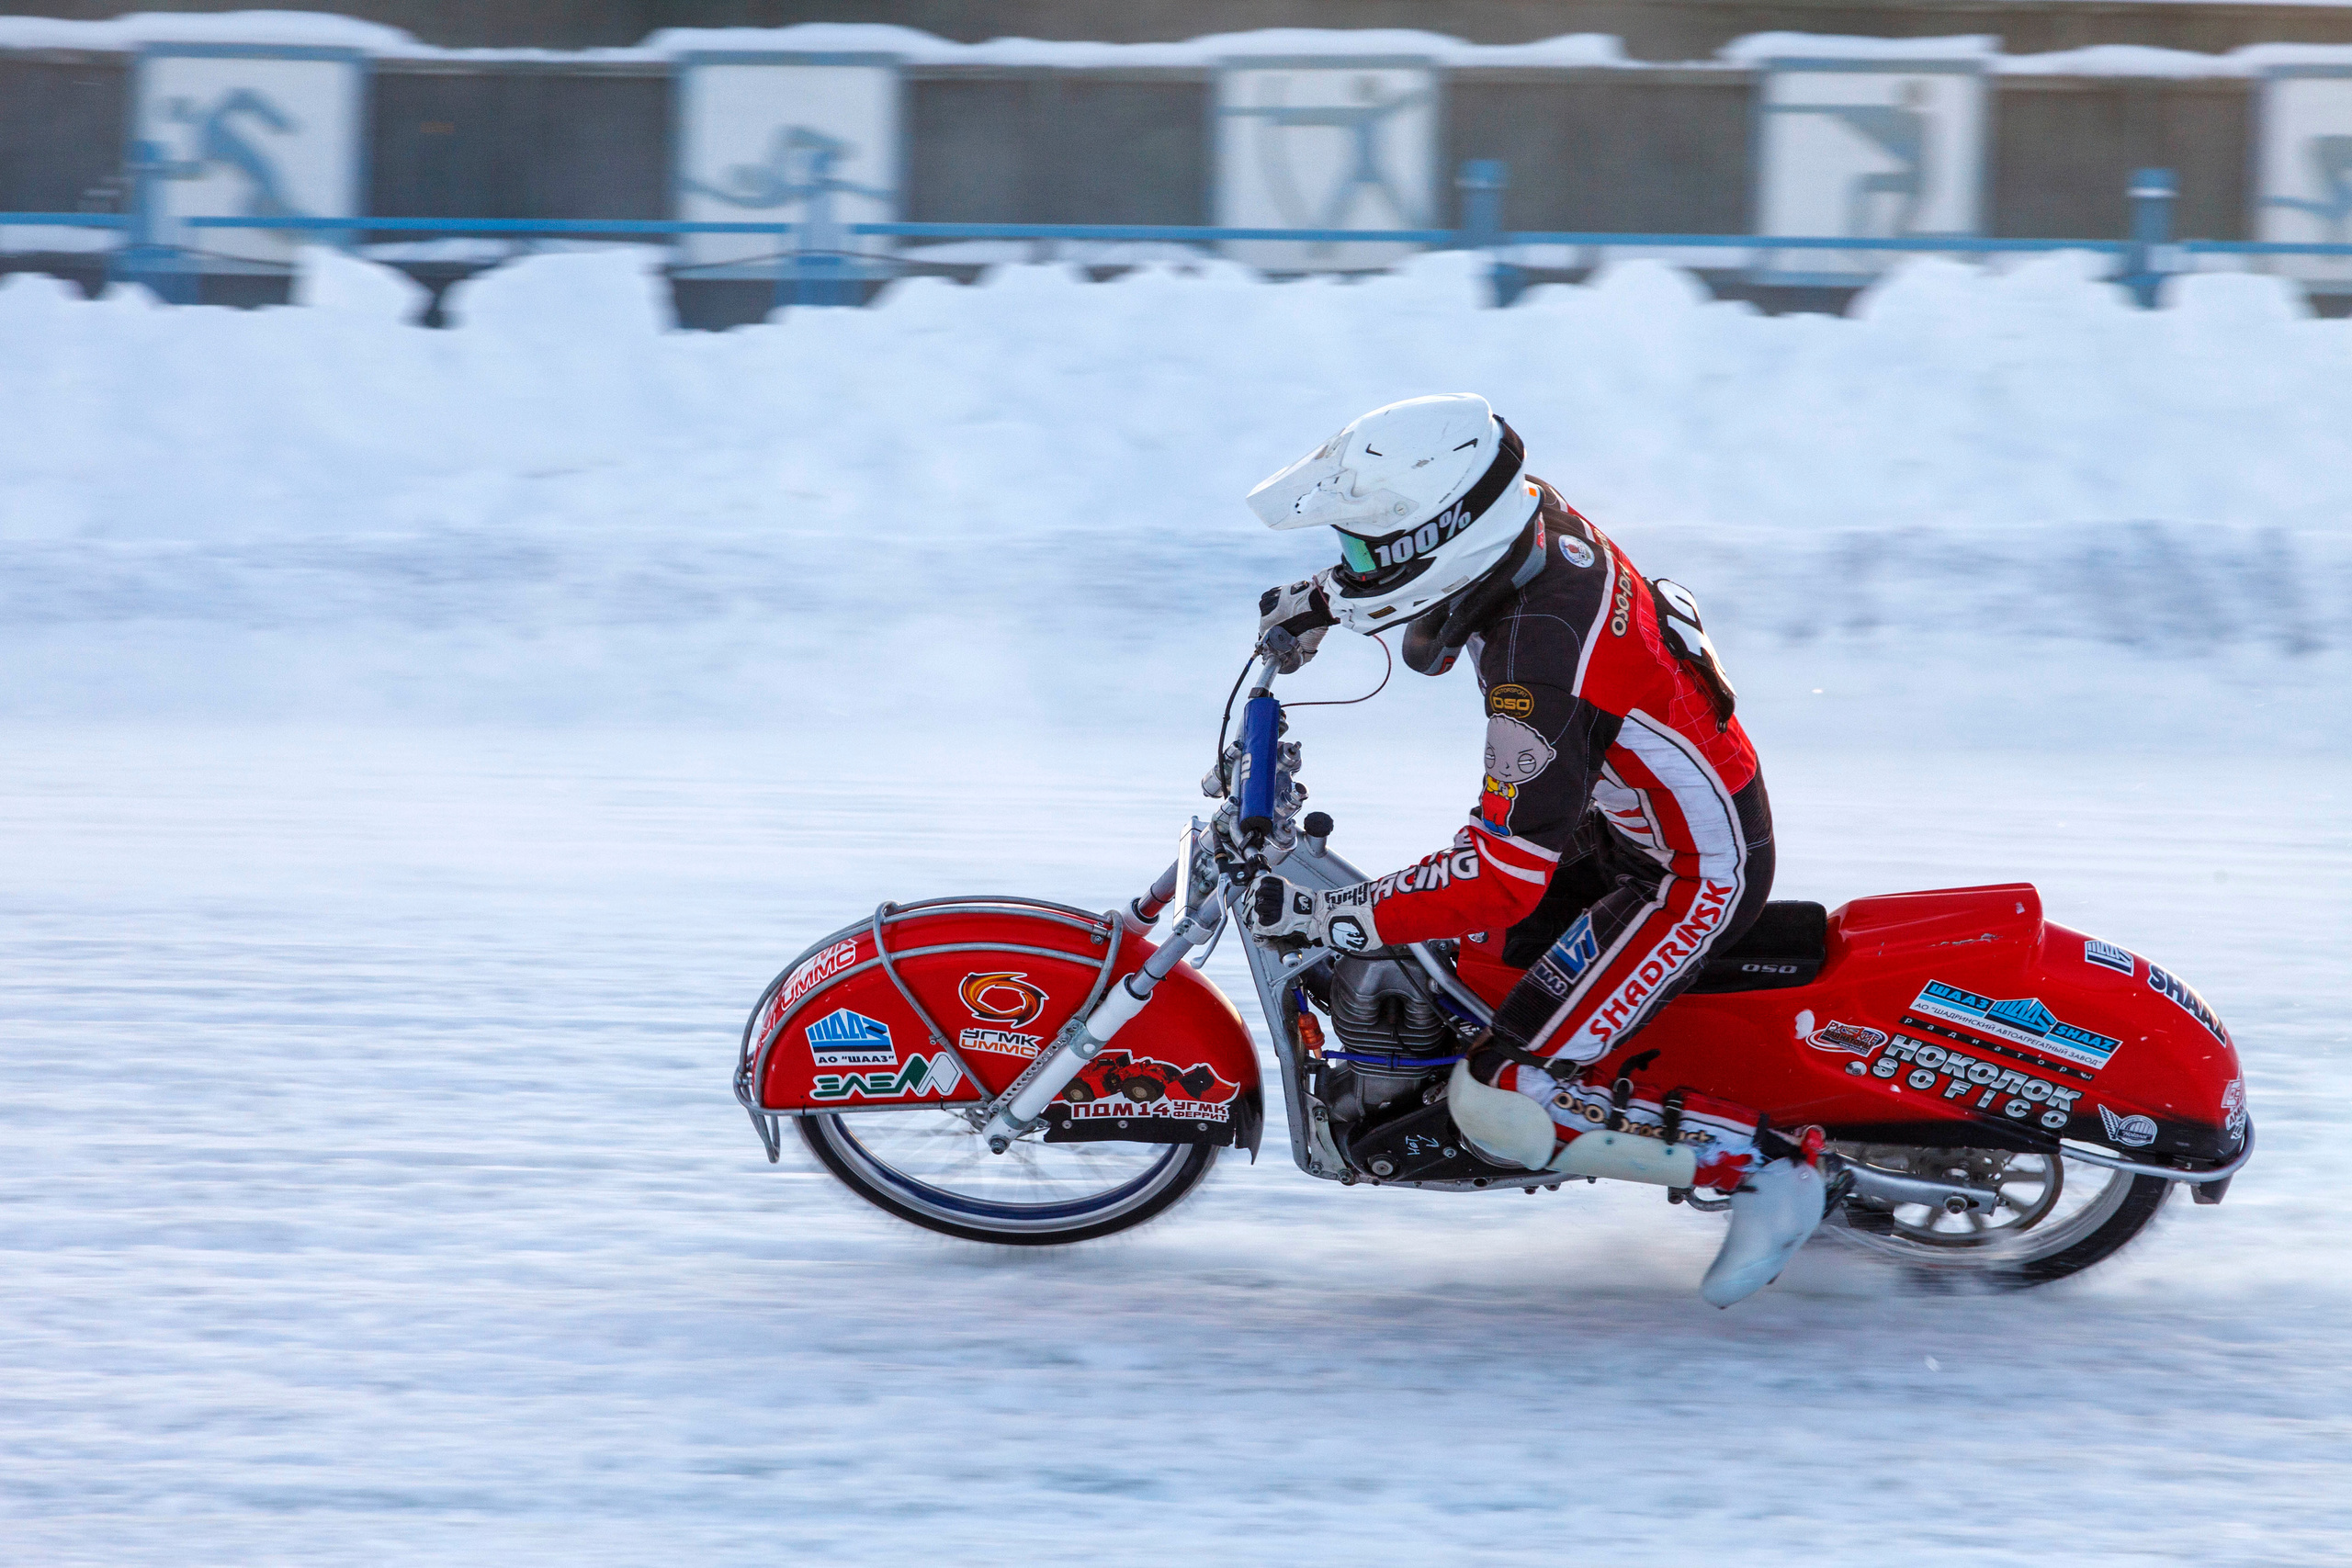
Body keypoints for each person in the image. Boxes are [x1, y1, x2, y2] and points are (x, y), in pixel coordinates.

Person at [1239, 393, 1824, 1307]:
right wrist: (1324, 598)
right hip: (1628, 816)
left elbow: (1500, 873)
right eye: (1347, 548)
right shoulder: (1518, 516)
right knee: (1461, 972)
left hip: (1686, 874)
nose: (1353, 563)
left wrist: (1334, 915)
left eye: (1362, 547)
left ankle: (1768, 1170)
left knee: (1499, 1095)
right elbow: (1409, 566)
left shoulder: (1537, 662)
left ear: (1447, 531)